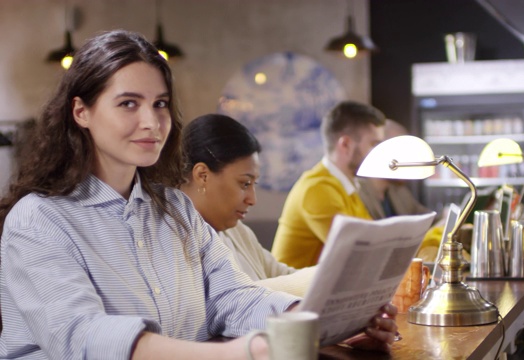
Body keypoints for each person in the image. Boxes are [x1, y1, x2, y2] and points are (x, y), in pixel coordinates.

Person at [0, 30, 397, 359]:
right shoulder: (39, 219)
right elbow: (82, 336)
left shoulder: (176, 209)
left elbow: (233, 298)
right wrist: (234, 353)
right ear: (81, 112)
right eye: (128, 104)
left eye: (160, 104)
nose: (152, 122)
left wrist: (325, 322)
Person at [180, 114, 316, 297]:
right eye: (245, 184)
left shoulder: (236, 231)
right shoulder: (177, 241)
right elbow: (231, 301)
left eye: (254, 185)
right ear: (203, 175)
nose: (252, 199)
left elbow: (284, 275)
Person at [271, 101, 386, 269]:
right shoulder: (317, 189)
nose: (380, 153)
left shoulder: (346, 185)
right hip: (295, 294)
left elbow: (375, 240)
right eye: (374, 144)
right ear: (345, 144)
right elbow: (361, 253)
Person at [357, 119, 430, 220]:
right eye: (402, 153)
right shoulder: (357, 194)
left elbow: (427, 218)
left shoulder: (399, 191)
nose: (407, 158)